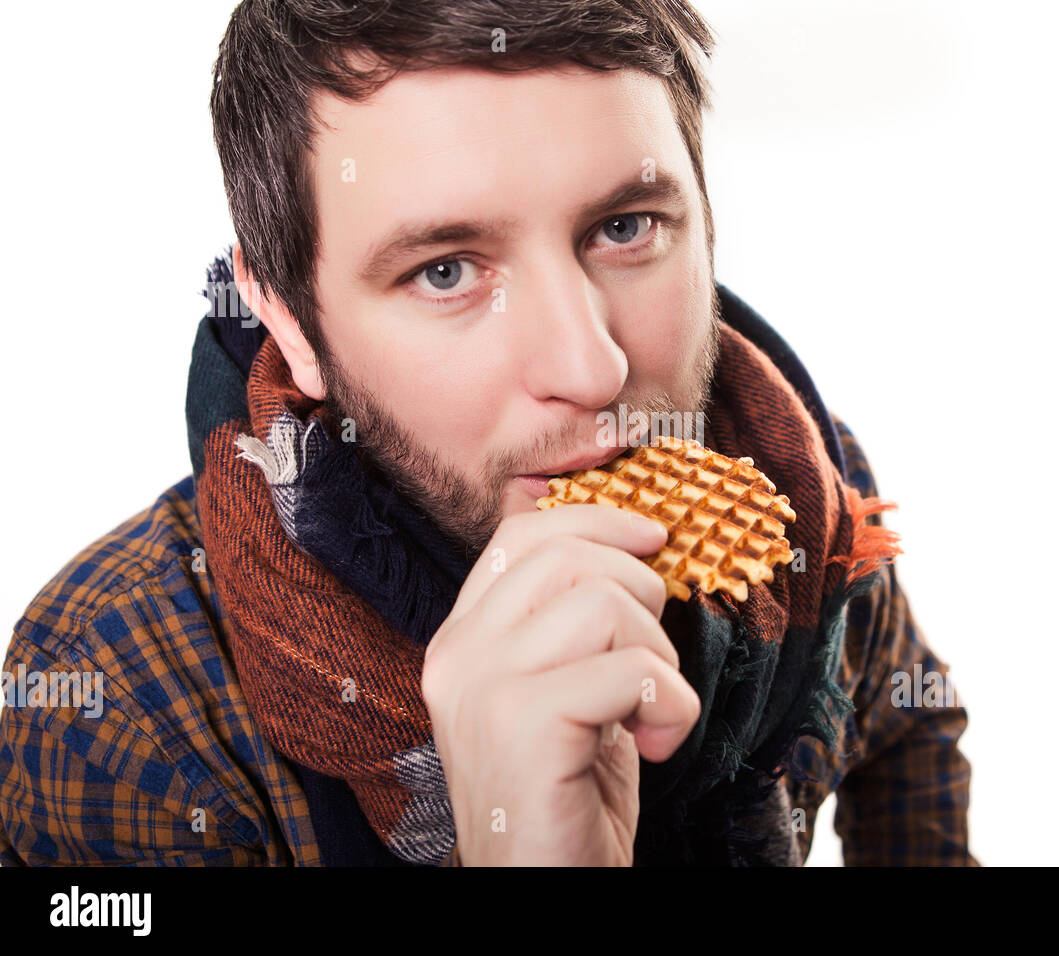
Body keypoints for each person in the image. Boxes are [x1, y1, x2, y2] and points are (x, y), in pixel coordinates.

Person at [0, 0, 975, 866]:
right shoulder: (118, 694)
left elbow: (904, 728)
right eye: (444, 271)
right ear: (287, 319)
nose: (589, 368)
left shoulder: (803, 484)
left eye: (626, 227)